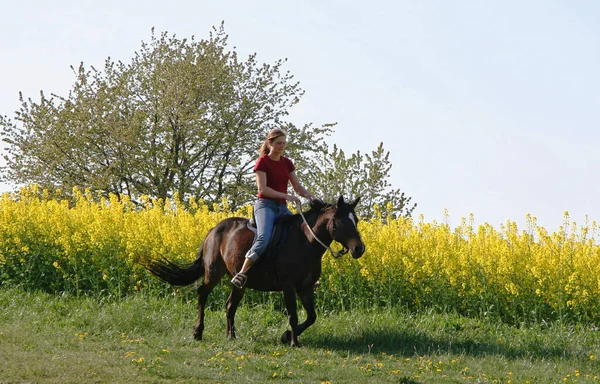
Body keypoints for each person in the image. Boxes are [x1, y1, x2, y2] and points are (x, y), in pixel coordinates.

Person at [231, 128, 314, 289]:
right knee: (264, 238)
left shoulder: (287, 163)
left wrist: (310, 197)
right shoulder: (263, 162)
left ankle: (305, 275)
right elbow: (262, 189)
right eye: (278, 143)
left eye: (284, 143)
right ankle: (242, 273)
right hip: (265, 206)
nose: (282, 146)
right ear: (270, 143)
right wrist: (287, 196)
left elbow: (297, 187)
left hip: (282, 207)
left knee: (302, 234)